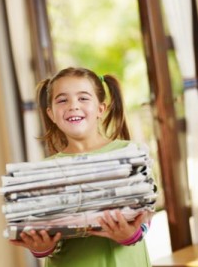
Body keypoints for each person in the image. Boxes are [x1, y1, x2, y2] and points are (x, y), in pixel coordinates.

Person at [10, 66, 153, 267]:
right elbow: (41, 231)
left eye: (83, 98)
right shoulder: (43, 172)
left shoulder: (131, 152)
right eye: (62, 100)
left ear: (100, 109)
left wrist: (130, 234)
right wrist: (41, 247)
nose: (73, 106)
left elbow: (146, 216)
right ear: (51, 114)